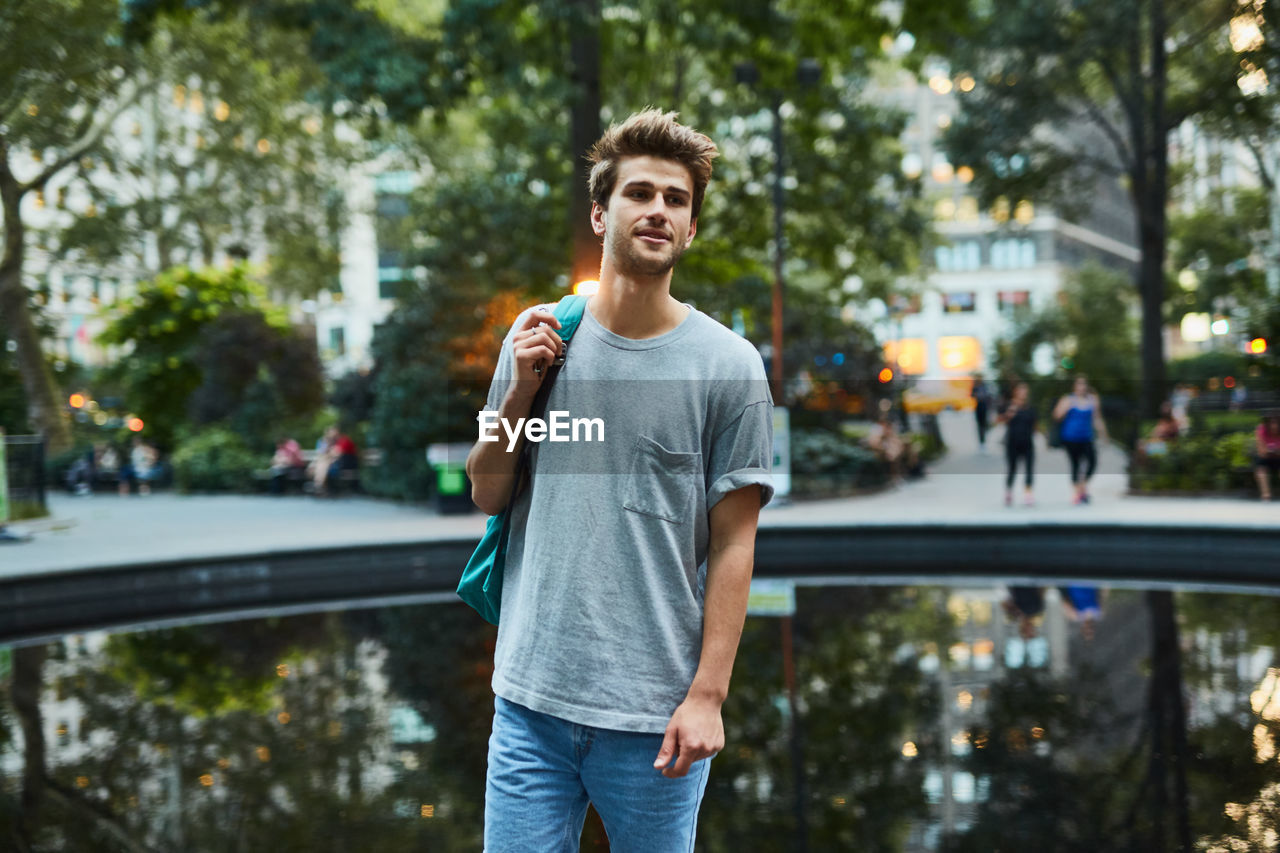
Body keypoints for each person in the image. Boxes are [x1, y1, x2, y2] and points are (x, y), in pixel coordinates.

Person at [465, 109, 773, 851]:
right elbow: (486, 491)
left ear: (691, 229)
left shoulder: (730, 367)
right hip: (529, 704)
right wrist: (518, 395)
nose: (658, 210)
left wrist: (708, 696)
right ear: (601, 212)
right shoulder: (540, 336)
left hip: (653, 718)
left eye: (676, 199)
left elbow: (735, 545)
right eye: (640, 193)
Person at [1053, 376, 1108, 505]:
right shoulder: (1068, 399)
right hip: (1070, 437)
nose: (1081, 387)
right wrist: (1064, 408)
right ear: (1075, 386)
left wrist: (1104, 434)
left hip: (1086, 437)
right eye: (1079, 384)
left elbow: (1097, 419)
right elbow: (1056, 415)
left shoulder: (1092, 400)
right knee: (1075, 465)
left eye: (1083, 384)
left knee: (1092, 462)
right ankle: (1077, 493)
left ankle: (1082, 486)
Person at [997, 381, 1036, 507]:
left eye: (1025, 390)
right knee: (1012, 469)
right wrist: (1009, 414)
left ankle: (1028, 494)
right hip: (1012, 442)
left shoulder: (1030, 407)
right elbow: (999, 420)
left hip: (1027, 442)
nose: (1023, 393)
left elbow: (1035, 425)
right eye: (1020, 390)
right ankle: (1009, 491)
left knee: (1029, 469)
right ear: (1016, 392)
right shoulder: (1009, 406)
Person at [1254, 411, 1280, 501]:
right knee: (1261, 471)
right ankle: (1266, 495)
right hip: (1265, 459)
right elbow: (1261, 452)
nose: (1274, 426)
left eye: (1276, 423)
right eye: (1272, 423)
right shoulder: (1261, 429)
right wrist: (1272, 451)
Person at [971, 373, 992, 451]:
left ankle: (983, 440)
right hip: (978, 407)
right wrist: (976, 395)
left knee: (985, 425)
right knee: (980, 426)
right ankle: (982, 442)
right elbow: (971, 395)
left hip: (985, 407)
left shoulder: (985, 385)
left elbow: (989, 396)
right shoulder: (975, 387)